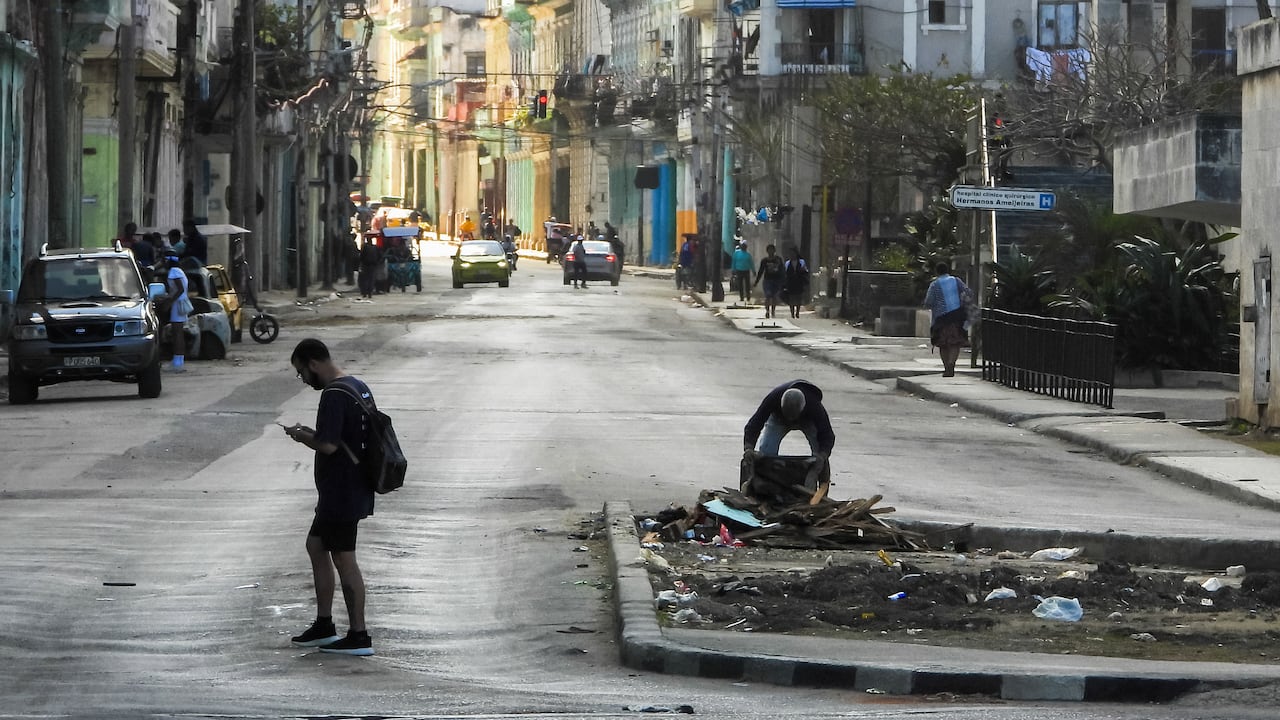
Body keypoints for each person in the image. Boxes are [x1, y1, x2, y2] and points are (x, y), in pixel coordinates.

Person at [283, 338, 377, 656]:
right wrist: (311, 433)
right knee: (316, 545)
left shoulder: (334, 394)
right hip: (346, 487)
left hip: (343, 490)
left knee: (344, 558)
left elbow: (329, 445)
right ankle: (324, 625)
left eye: (301, 372)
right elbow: (341, 437)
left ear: (313, 364)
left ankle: (359, 635)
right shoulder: (356, 386)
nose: (303, 379)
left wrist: (301, 437)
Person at [743, 379, 834, 494]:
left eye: (793, 416)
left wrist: (823, 455)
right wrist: (749, 447)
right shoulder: (773, 398)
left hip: (807, 420)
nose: (791, 420)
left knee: (819, 457)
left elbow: (827, 435)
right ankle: (764, 486)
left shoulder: (814, 406)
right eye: (788, 416)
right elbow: (754, 424)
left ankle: (822, 492)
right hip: (779, 419)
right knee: (766, 452)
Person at [924, 261, 972, 377]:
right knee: (955, 343)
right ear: (948, 270)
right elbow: (968, 293)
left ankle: (946, 367)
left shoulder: (934, 285)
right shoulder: (957, 281)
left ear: (937, 272)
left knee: (943, 344)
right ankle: (951, 364)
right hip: (957, 317)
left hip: (941, 319)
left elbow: (928, 301)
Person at [161, 251, 190, 372]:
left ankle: (177, 363)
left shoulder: (174, 271)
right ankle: (178, 360)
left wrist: (170, 301)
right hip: (180, 303)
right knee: (179, 333)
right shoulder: (179, 270)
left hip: (177, 304)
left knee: (177, 334)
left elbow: (180, 289)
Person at [754, 243, 785, 319]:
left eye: (772, 250)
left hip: (777, 280)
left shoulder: (778, 259)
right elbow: (761, 271)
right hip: (767, 280)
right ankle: (767, 311)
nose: (771, 251)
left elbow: (782, 270)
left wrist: (783, 280)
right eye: (769, 250)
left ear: (774, 251)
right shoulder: (764, 260)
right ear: (767, 251)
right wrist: (756, 282)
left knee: (774, 296)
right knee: (768, 295)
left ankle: (773, 311)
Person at [782, 247, 810, 319]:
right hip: (790, 282)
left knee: (798, 297)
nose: (791, 255)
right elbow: (785, 273)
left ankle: (797, 312)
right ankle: (792, 313)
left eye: (793, 253)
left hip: (799, 281)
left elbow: (805, 270)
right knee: (791, 298)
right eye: (790, 253)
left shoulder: (801, 262)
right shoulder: (787, 263)